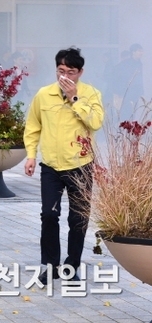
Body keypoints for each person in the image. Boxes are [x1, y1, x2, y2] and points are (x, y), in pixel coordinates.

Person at [23, 47, 104, 286]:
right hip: (50, 166)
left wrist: (75, 99)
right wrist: (30, 156)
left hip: (81, 165)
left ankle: (72, 266)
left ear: (81, 72)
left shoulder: (91, 94)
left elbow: (96, 122)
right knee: (49, 215)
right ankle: (49, 265)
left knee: (78, 218)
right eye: (60, 71)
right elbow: (33, 126)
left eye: (71, 71)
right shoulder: (44, 94)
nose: (65, 76)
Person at [113, 43, 144, 120]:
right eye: (139, 51)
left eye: (142, 51)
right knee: (126, 113)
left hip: (136, 93)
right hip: (127, 93)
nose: (141, 53)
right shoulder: (126, 64)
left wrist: (141, 90)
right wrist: (120, 91)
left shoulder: (139, 63)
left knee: (134, 113)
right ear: (133, 52)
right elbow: (117, 75)